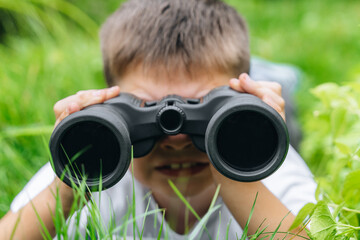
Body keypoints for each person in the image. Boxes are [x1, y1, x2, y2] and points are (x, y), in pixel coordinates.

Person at [0, 0, 316, 239]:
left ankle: (276, 79)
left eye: (206, 108)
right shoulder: (101, 162)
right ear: (110, 102)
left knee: (287, 103)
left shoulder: (265, 165)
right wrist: (69, 185)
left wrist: (239, 159)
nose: (176, 140)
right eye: (142, 106)